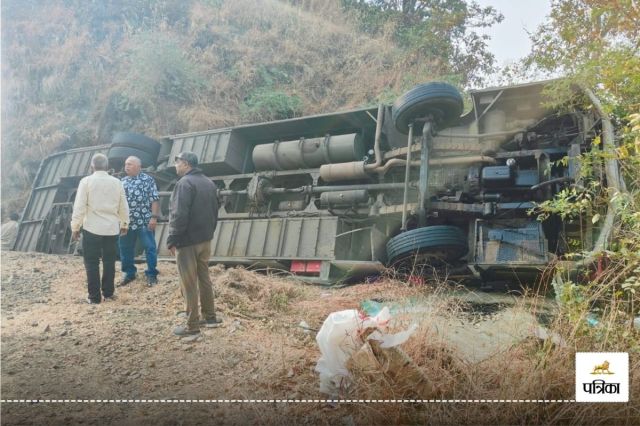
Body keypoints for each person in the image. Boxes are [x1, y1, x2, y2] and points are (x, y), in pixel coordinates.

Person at [167, 151, 222, 340]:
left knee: (188, 282)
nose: (175, 166)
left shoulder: (184, 183)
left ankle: (192, 326)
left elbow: (179, 215)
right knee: (204, 278)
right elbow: (215, 212)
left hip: (188, 241)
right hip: (205, 240)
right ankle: (210, 317)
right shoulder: (208, 182)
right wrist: (209, 234)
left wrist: (172, 238)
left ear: (186, 163)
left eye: (177, 162)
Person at [71, 153, 129, 304]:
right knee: (109, 261)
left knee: (91, 262)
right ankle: (109, 293)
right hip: (111, 228)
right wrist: (124, 223)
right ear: (107, 166)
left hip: (92, 228)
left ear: (92, 166)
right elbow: (123, 205)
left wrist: (75, 226)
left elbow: (79, 206)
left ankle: (94, 297)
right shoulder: (117, 182)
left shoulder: (86, 181)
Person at [118, 156, 160, 287]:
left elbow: (155, 199)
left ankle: (152, 274)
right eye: (126, 164)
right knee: (125, 248)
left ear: (138, 166)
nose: (127, 167)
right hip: (126, 222)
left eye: (130, 164)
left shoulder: (148, 180)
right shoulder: (122, 181)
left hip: (144, 220)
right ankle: (129, 273)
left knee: (150, 248)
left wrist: (153, 217)